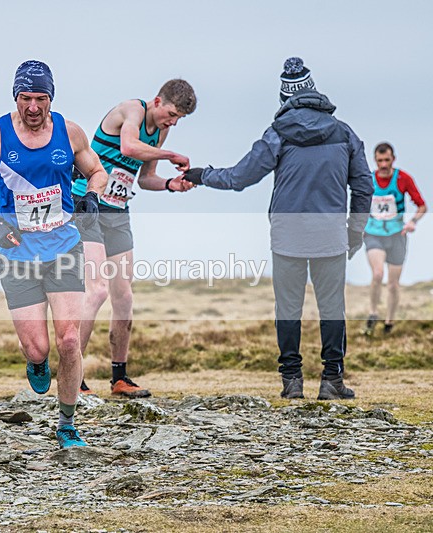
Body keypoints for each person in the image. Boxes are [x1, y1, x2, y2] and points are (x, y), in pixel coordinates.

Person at [181, 57, 373, 401]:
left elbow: (240, 177)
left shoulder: (278, 134)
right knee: (332, 308)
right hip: (331, 236)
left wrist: (201, 175)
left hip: (287, 237)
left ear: (284, 98)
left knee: (287, 308)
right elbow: (363, 185)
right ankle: (332, 380)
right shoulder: (344, 133)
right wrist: (355, 232)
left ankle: (292, 381)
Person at [0, 60, 108, 448]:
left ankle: (67, 424)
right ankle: (37, 361)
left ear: (50, 98)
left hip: (63, 248)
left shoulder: (69, 132)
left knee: (70, 340)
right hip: (17, 254)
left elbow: (97, 170)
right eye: (26, 98)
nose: (33, 107)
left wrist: (92, 195)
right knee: (39, 348)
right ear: (16, 98)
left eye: (40, 98)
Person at [71, 80, 196, 398]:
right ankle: (74, 377)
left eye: (179, 119)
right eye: (171, 114)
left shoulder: (161, 132)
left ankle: (119, 378)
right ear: (157, 101)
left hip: (119, 212)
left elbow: (146, 177)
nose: (173, 122)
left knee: (123, 297)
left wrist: (171, 185)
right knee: (95, 291)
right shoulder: (131, 110)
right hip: (88, 205)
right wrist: (171, 153)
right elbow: (128, 147)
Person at [363, 143, 426, 335]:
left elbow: (422, 206)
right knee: (377, 274)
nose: (383, 164)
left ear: (393, 159)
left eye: (386, 160)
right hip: (374, 234)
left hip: (397, 235)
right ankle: (373, 312)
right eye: (379, 160)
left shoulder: (403, 179)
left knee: (392, 284)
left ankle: (389, 322)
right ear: (375, 160)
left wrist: (412, 222)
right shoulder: (368, 180)